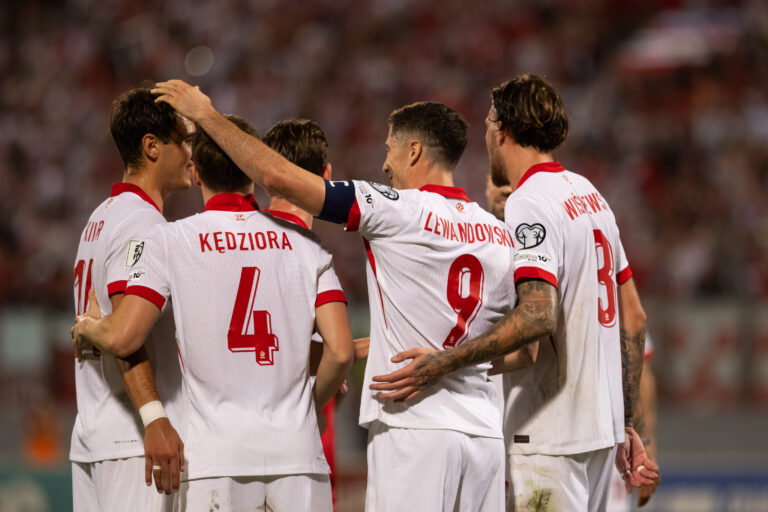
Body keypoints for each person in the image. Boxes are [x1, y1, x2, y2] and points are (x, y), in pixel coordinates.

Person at [151, 79, 516, 511]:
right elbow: (520, 352)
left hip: (415, 430)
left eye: (390, 150)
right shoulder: (498, 232)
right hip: (487, 436)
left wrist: (206, 115)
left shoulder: (395, 207)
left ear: (414, 151)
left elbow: (276, 177)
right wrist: (445, 358)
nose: (384, 165)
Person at [369, 74, 659, 511]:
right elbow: (633, 316)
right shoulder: (591, 195)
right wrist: (628, 420)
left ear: (501, 128)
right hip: (603, 431)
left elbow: (538, 315)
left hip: (549, 435)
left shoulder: (530, 200)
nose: (486, 134)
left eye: (488, 123)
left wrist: (443, 361)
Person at [72, 114, 354, 512]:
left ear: (198, 174)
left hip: (214, 460)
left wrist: (90, 328)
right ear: (253, 173)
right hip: (297, 454)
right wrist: (309, 408)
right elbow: (338, 351)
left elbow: (124, 337)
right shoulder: (305, 245)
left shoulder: (170, 240)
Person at [70, 86, 189, 511]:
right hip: (135, 442)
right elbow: (126, 331)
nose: (192, 152)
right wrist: (154, 417)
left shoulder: (100, 217)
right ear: (152, 146)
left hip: (96, 431)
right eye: (184, 140)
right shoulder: (142, 223)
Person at [260, 118, 341, 509]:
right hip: (298, 446)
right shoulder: (311, 255)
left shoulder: (225, 238)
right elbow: (336, 352)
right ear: (326, 174)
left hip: (222, 447)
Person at [606, 336, 659, 510]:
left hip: (611, 438)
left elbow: (640, 376)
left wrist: (645, 443)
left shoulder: (621, 310)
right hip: (605, 435)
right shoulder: (622, 310)